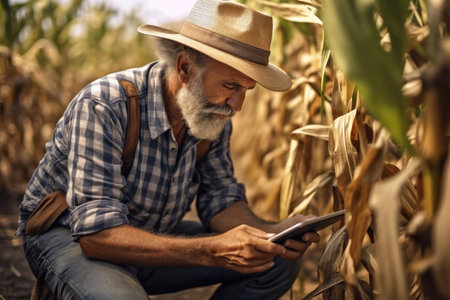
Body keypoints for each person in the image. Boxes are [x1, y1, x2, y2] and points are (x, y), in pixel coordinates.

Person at [17, 0, 320, 299]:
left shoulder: (210, 117)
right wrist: (212, 251)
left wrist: (273, 234)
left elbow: (221, 200)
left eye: (245, 90)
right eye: (231, 86)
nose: (237, 105)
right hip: (68, 237)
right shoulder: (105, 105)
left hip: (146, 233)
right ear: (185, 67)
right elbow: (97, 236)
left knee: (274, 262)